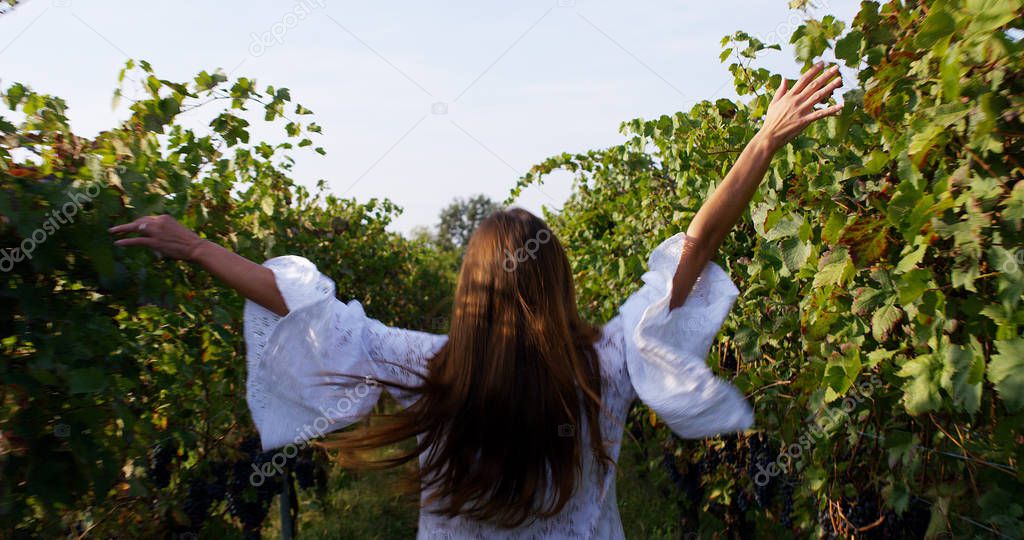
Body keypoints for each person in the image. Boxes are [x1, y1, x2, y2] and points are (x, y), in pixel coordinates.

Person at [110, 63, 843, 538]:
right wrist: (763, 141)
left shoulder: (431, 368)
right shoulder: (605, 364)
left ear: (467, 290)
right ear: (557, 281)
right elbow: (692, 251)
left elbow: (303, 311)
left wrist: (199, 247)